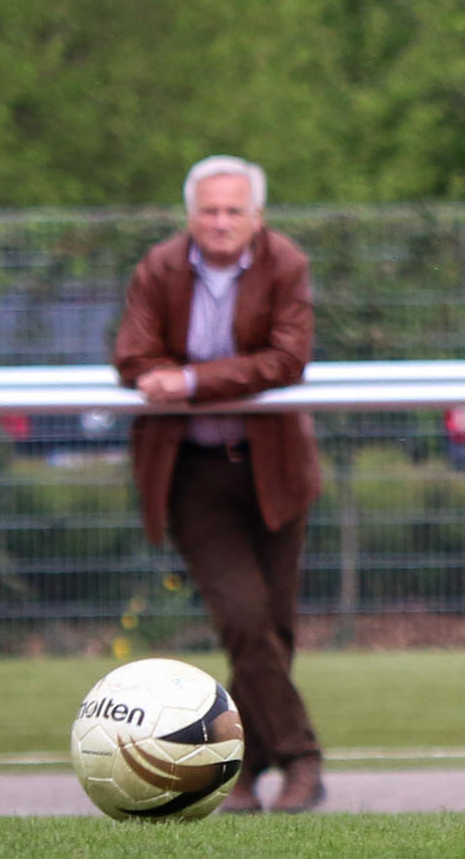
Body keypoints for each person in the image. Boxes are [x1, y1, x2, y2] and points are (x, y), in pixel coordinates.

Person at [113, 155, 324, 814]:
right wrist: (174, 377)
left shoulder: (286, 264)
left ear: (257, 216)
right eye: (210, 209)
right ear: (190, 214)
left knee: (272, 630)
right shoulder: (159, 268)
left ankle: (247, 772)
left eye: (234, 210)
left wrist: (192, 380)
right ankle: (303, 758)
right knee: (243, 618)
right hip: (195, 474)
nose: (221, 221)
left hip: (273, 469)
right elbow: (133, 356)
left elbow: (288, 358)